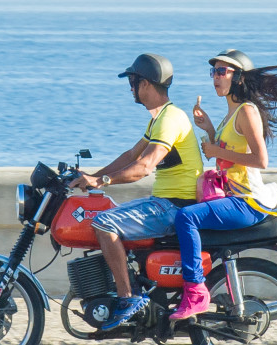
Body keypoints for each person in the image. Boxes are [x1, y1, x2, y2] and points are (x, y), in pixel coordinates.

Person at [170, 49, 277, 320]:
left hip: (247, 201)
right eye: (213, 71)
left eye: (221, 71)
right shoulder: (231, 115)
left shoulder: (247, 111)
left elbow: (260, 159)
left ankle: (195, 293)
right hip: (236, 199)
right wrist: (210, 129)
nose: (215, 76)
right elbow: (228, 155)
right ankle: (217, 288)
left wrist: (215, 151)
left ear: (238, 77)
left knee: (185, 219)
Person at [69, 53, 202, 330]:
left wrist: (102, 180)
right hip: (165, 202)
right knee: (109, 212)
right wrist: (90, 176)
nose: (130, 88)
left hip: (173, 206)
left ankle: (127, 297)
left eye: (132, 81)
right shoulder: (159, 119)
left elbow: (143, 166)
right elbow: (131, 155)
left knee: (104, 223)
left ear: (146, 84)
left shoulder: (170, 119)